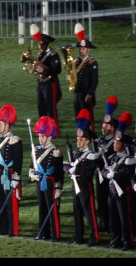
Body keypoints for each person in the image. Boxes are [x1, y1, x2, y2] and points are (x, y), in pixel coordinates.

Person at [64, 108, 99, 247]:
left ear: (87, 141)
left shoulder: (91, 155)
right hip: (75, 186)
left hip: (85, 186)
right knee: (77, 212)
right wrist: (68, 169)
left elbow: (88, 173)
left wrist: (75, 171)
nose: (78, 142)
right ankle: (78, 236)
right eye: (78, 139)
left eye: (81, 139)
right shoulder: (76, 154)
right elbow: (71, 168)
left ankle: (94, 237)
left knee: (89, 212)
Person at [102, 111, 135, 251]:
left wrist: (114, 175)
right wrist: (107, 174)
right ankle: (116, 238)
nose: (115, 144)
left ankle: (128, 240)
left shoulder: (128, 159)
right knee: (113, 216)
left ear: (124, 144)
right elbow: (104, 170)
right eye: (115, 141)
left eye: (118, 142)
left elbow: (127, 176)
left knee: (124, 218)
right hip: (112, 190)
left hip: (123, 192)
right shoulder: (112, 158)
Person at [29, 116, 64, 242]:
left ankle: (55, 234)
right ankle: (43, 232)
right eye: (39, 135)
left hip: (50, 182)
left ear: (49, 136)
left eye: (43, 136)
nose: (40, 138)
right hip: (40, 181)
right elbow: (31, 166)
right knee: (42, 207)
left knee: (52, 208)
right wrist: (33, 174)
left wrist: (58, 187)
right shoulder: (36, 150)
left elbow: (60, 172)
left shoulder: (56, 152)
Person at [0, 104, 23, 237]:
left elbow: (19, 161)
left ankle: (12, 230)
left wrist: (16, 176)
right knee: (1, 201)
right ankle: (2, 228)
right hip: (0, 173)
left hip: (9, 174)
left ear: (8, 124)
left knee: (11, 203)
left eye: (1, 123)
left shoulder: (14, 140)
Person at [29, 24, 62, 138]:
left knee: (50, 109)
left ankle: (54, 131)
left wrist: (44, 71)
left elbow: (57, 70)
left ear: (46, 44)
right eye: (39, 44)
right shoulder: (40, 54)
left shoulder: (53, 54)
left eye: (41, 44)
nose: (39, 46)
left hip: (50, 84)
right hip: (41, 84)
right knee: (41, 107)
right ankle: (43, 130)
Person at [94, 96, 118, 233]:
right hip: (100, 174)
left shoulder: (115, 142)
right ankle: (103, 222)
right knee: (101, 198)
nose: (103, 127)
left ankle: (111, 223)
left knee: (110, 200)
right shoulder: (100, 141)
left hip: (109, 174)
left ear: (113, 128)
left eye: (107, 125)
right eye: (103, 125)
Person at [73, 23, 98, 132]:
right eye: (80, 48)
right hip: (77, 92)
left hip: (86, 92)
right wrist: (72, 65)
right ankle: (81, 134)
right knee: (78, 114)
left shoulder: (91, 62)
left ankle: (89, 134)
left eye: (83, 48)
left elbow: (94, 79)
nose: (81, 50)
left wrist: (90, 93)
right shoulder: (77, 61)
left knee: (87, 115)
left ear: (88, 50)